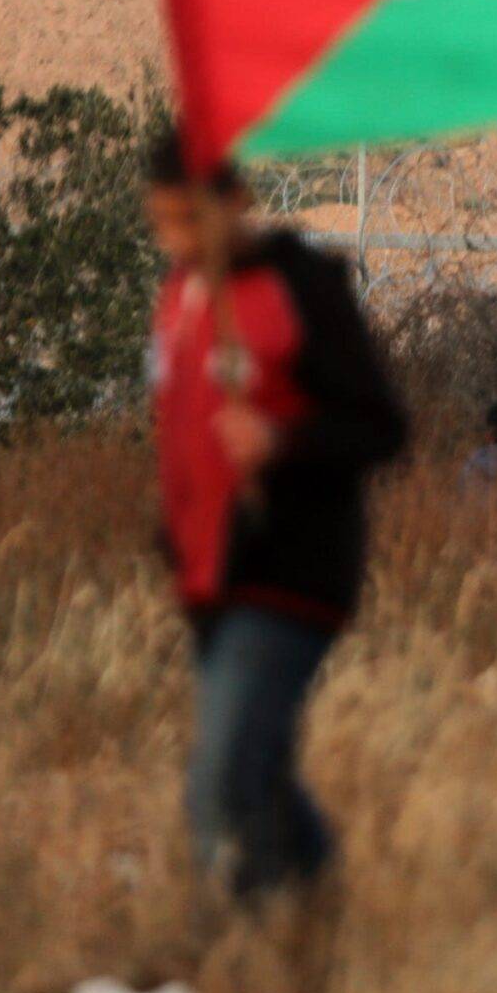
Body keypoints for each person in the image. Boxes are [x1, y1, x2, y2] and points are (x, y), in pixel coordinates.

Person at [145, 137, 408, 901]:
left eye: (189, 219)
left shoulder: (302, 287)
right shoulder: (181, 292)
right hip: (209, 576)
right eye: (162, 221)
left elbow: (382, 426)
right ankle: (321, 917)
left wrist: (282, 440)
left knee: (219, 786)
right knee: (263, 777)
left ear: (235, 203)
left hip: (289, 570)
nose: (177, 238)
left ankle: (249, 959)